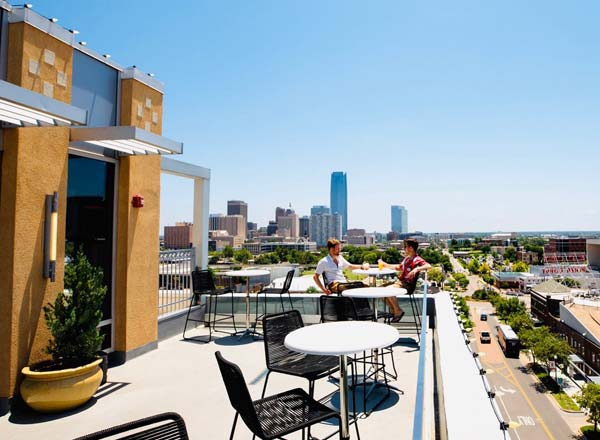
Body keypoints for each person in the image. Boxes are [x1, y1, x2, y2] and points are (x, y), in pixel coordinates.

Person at [379, 238, 431, 322]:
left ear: (411, 248)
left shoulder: (417, 259)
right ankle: (393, 310)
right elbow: (398, 268)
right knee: (379, 290)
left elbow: (428, 266)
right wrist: (384, 264)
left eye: (405, 247)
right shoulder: (407, 258)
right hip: (400, 283)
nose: (404, 248)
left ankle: (398, 311)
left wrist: (416, 269)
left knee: (388, 290)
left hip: (407, 285)